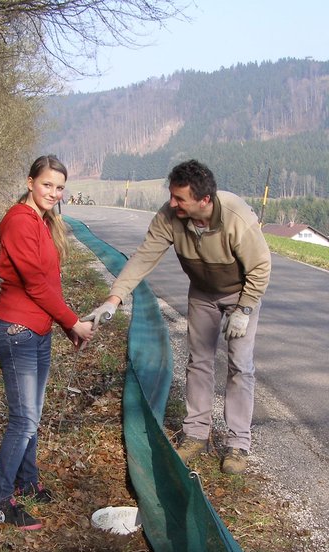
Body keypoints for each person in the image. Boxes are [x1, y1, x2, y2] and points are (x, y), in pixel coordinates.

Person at [86, 160, 271, 475]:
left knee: (240, 366)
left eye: (179, 198)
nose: (172, 203)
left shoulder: (235, 216)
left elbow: (261, 266)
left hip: (241, 294)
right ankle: (196, 433)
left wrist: (244, 309)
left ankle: (238, 443)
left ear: (204, 200)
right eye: (171, 195)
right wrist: (114, 299)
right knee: (198, 361)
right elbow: (144, 256)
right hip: (202, 293)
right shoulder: (170, 217)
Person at [0, 155, 94, 530]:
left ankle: (27, 482)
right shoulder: (19, 220)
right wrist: (73, 322)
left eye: (60, 187)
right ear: (30, 182)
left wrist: (65, 327)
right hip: (17, 331)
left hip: (38, 331)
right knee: (23, 419)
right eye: (47, 184)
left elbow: (50, 285)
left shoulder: (43, 222)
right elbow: (32, 283)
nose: (54, 192)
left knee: (33, 413)